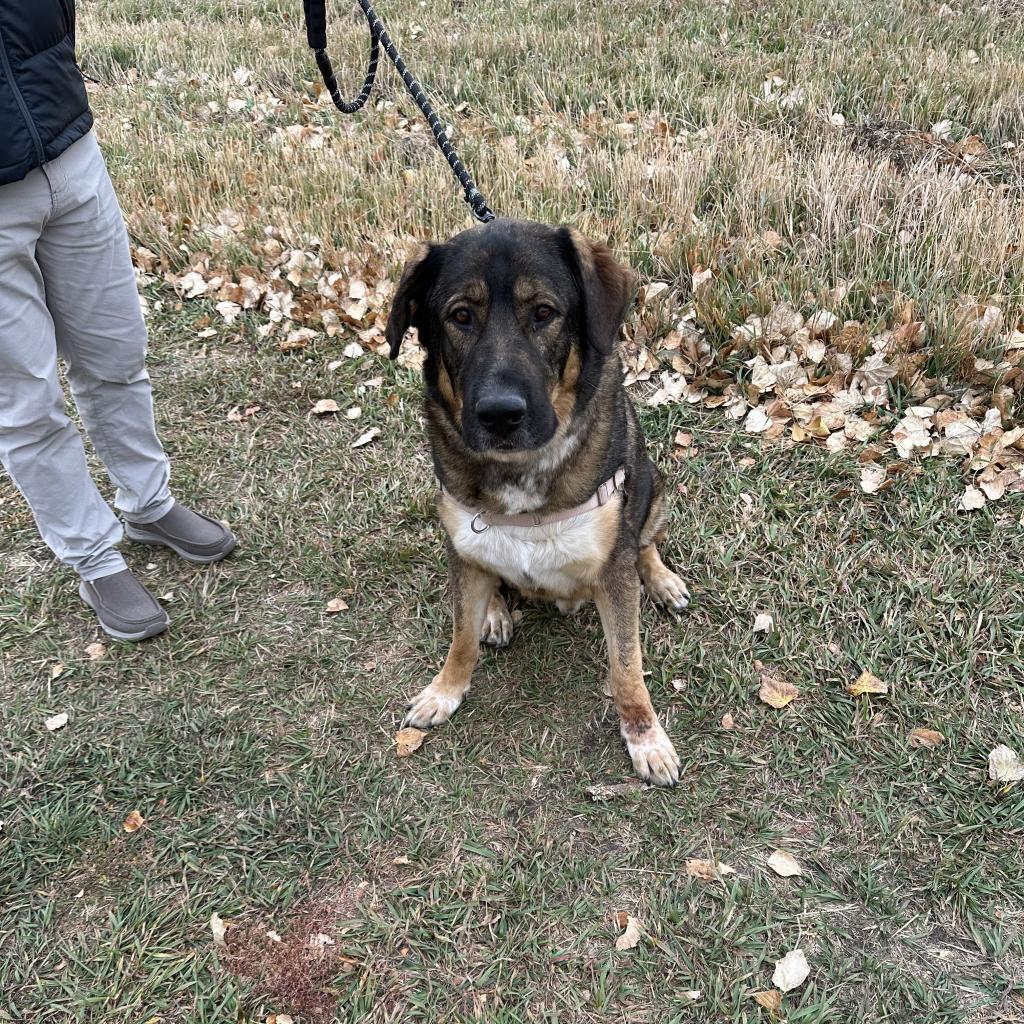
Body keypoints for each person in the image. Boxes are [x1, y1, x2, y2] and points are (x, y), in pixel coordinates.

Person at [0, 2, 235, 641]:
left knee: (116, 352)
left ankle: (148, 505)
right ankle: (93, 556)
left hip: (67, 143)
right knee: (26, 399)